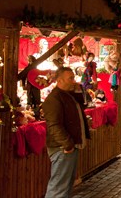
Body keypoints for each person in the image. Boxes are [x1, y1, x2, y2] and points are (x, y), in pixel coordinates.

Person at [42, 67, 90, 198]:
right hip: (62, 148)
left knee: (66, 185)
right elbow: (54, 125)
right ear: (59, 80)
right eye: (71, 78)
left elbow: (83, 104)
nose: (73, 81)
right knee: (58, 187)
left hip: (69, 146)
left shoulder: (67, 95)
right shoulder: (54, 99)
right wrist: (67, 144)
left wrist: (78, 90)